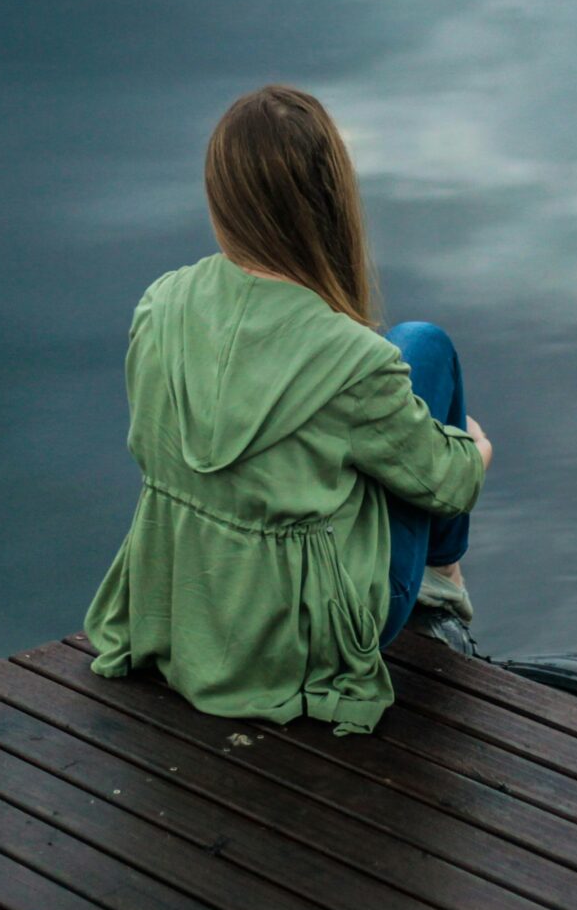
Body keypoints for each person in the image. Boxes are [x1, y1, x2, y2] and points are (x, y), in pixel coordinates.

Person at [83, 84, 493, 735]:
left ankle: (436, 580)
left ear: (222, 197)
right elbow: (453, 484)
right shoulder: (355, 361)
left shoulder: (159, 306)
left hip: (187, 612)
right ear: (329, 202)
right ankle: (441, 586)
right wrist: (472, 447)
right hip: (300, 645)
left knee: (401, 364)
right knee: (425, 346)